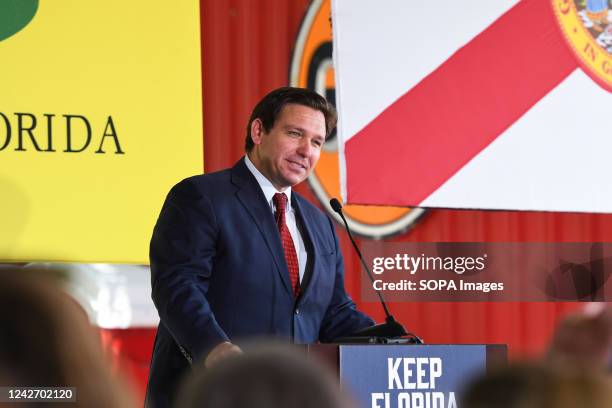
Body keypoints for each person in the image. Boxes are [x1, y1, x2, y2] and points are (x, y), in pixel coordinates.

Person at [146, 87, 374, 408]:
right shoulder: (202, 197)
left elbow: (333, 314)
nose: (306, 150)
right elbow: (178, 286)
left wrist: (391, 343)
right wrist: (214, 347)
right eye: (295, 134)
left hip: (289, 398)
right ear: (258, 131)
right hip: (209, 393)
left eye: (317, 142)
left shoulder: (321, 223)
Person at [176, 342, 353, 408]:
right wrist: (213, 344)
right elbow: (179, 282)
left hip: (298, 384)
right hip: (228, 383)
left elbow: (336, 311)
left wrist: (378, 337)